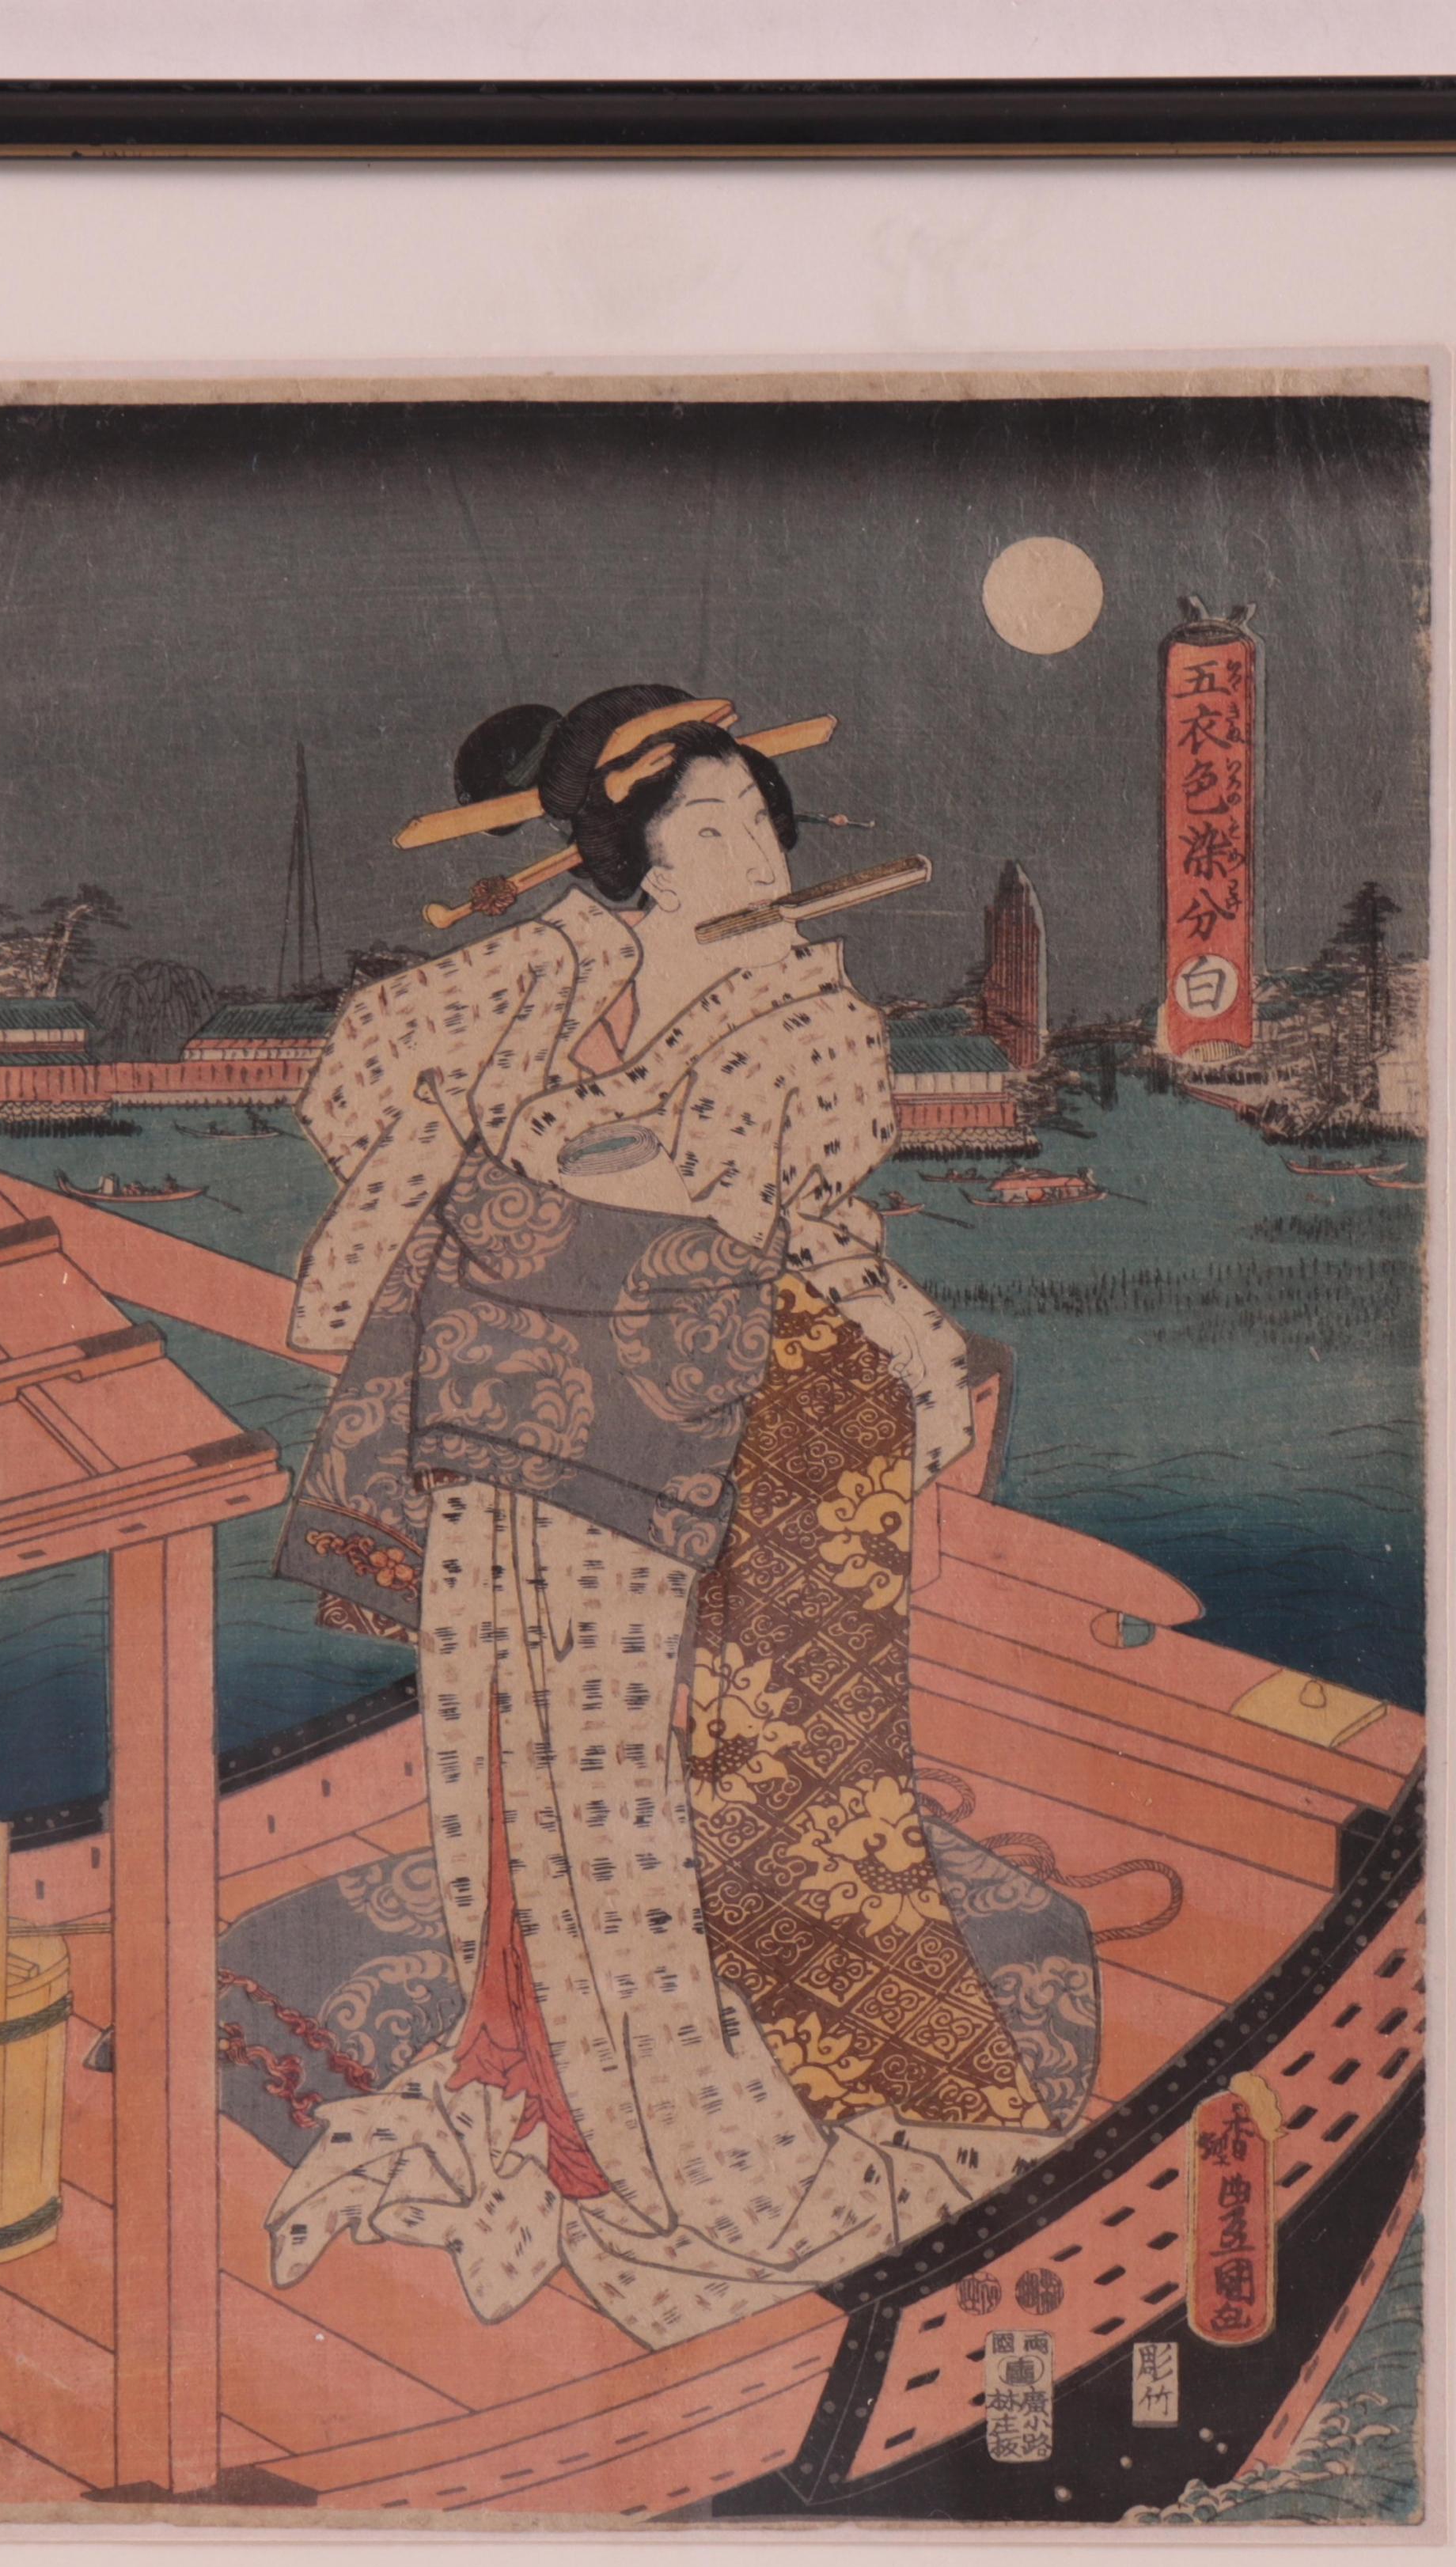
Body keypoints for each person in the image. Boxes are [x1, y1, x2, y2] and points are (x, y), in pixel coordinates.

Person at [219, 684, 1101, 2352]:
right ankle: (527, 2079)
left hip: (666, 1419)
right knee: (497, 1749)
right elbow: (362, 1075)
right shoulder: (553, 961)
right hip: (500, 1400)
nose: (746, 846)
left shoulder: (801, 1008)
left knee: (624, 1777)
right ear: (623, 848)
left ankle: (659, 2116)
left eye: (758, 817)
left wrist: (918, 1363)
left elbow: (762, 1207)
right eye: (704, 821)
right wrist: (524, 1085)